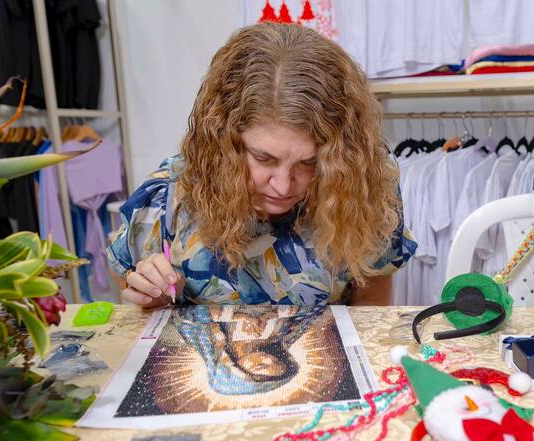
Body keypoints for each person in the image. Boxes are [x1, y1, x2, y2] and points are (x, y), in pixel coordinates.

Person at [106, 23, 416, 308]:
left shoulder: (360, 183)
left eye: (309, 162)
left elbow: (372, 289)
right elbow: (124, 271)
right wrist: (152, 296)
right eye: (264, 158)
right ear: (224, 142)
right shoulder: (173, 192)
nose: (282, 186)